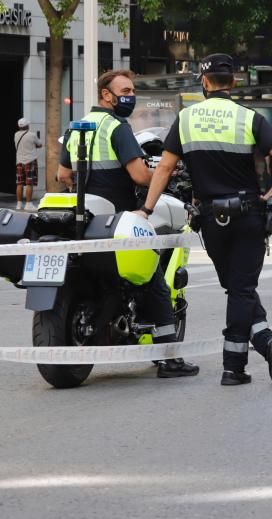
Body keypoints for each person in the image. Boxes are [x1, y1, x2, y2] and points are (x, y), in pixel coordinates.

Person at [141, 54, 272, 386]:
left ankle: (267, 344)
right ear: (234, 83)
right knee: (242, 290)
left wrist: (147, 210)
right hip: (248, 215)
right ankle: (233, 367)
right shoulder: (249, 118)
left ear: (205, 82)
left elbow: (165, 168)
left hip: (211, 219)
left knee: (236, 288)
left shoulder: (185, 119)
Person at [56, 69, 199, 379]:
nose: (130, 96)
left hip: (85, 219)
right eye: (126, 90)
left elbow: (62, 175)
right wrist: (165, 175)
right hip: (119, 219)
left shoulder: (77, 127)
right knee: (153, 279)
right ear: (106, 95)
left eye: (132, 90)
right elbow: (138, 176)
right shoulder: (117, 128)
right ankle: (169, 359)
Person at [14, 117, 42, 211]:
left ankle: (18, 204)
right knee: (29, 183)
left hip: (19, 161)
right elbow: (40, 144)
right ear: (27, 126)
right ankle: (28, 204)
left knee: (19, 183)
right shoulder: (32, 135)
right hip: (30, 161)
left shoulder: (16, 134)